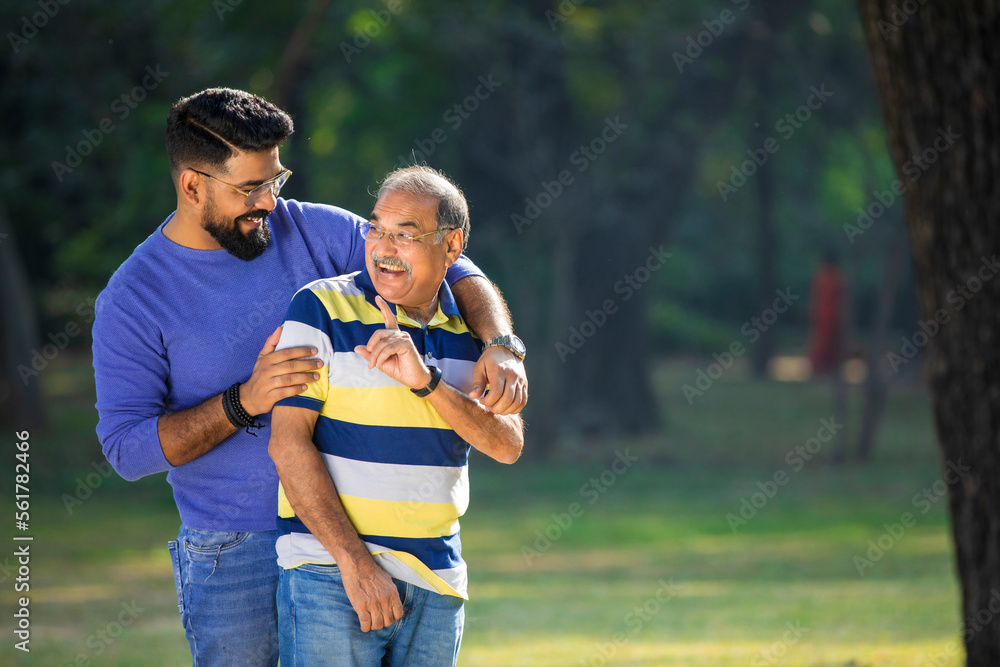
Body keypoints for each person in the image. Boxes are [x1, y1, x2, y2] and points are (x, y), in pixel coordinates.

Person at [91, 88, 527, 666]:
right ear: (192, 185)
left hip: (350, 536)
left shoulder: (316, 231)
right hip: (233, 547)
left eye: (276, 180)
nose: (270, 202)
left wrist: (501, 345)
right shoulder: (134, 297)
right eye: (250, 188)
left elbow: (448, 262)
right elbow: (126, 449)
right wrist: (243, 401)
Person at [269, 165, 523, 666]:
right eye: (377, 229)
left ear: (452, 247)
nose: (384, 248)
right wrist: (356, 565)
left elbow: (507, 445)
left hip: (437, 581)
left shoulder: (472, 332)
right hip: (331, 577)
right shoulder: (320, 307)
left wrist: (427, 383)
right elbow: (287, 443)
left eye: (405, 236)